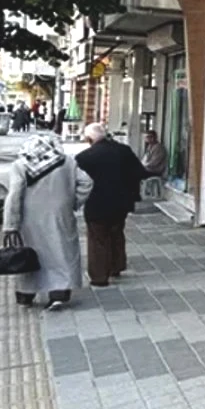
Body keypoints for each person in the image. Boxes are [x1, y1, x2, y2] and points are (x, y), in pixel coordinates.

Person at [1, 133, 92, 310]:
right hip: (60, 215)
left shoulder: (20, 165)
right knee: (61, 253)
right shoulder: (67, 162)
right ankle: (59, 293)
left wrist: (10, 224)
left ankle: (26, 295)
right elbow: (86, 182)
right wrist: (73, 202)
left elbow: (14, 195)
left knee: (30, 255)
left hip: (29, 218)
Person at [74, 122, 147, 287]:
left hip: (96, 203)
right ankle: (116, 265)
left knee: (98, 238)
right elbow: (140, 172)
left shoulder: (84, 157)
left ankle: (99, 276)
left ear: (89, 139)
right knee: (116, 232)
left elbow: (77, 183)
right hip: (121, 202)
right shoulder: (124, 150)